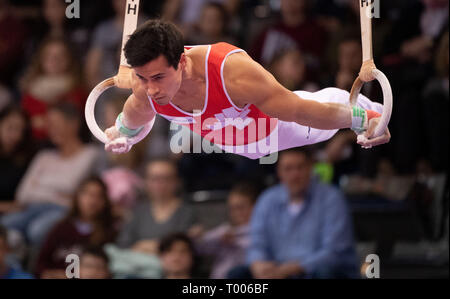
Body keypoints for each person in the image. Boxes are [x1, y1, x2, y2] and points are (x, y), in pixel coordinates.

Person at [104, 19, 390, 161]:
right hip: (234, 144)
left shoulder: (232, 73)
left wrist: (362, 120)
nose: (151, 89)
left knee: (329, 105)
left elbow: (302, 111)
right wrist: (123, 135)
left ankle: (372, 111)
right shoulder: (143, 88)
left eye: (158, 77)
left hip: (277, 129)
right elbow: (132, 118)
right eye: (142, 78)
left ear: (181, 61)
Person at [227, 148, 359, 279]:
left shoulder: (331, 198)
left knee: (325, 273)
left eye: (300, 167)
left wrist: (291, 269)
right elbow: (256, 244)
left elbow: (334, 252)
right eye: (288, 169)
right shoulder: (267, 200)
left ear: (310, 168)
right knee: (238, 274)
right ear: (279, 172)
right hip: (277, 271)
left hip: (314, 271)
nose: (295, 175)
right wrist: (258, 264)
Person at [0, 103, 100, 246]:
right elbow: (23, 194)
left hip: (64, 211)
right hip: (30, 208)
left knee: (37, 230)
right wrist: (57, 192)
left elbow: (70, 185)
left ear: (73, 124)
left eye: (55, 124)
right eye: (49, 125)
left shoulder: (90, 154)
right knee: (4, 225)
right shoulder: (44, 156)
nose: (51, 130)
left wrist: (40, 185)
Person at [35, 177, 117, 279]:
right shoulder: (61, 228)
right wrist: (48, 274)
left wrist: (70, 276)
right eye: (88, 194)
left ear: (105, 201)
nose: (92, 201)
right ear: (77, 196)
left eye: (99, 196)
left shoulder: (108, 232)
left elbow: (102, 270)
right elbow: (41, 262)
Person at [116, 159, 198, 255]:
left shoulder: (188, 212)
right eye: (155, 179)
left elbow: (183, 246)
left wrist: (145, 246)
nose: (161, 184)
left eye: (167, 178)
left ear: (177, 181)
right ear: (145, 182)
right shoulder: (138, 211)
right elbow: (123, 245)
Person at [194, 182, 258, 279]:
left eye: (240, 207)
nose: (236, 213)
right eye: (232, 208)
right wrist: (197, 236)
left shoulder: (261, 232)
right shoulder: (225, 230)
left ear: (255, 206)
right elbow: (199, 247)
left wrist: (236, 242)